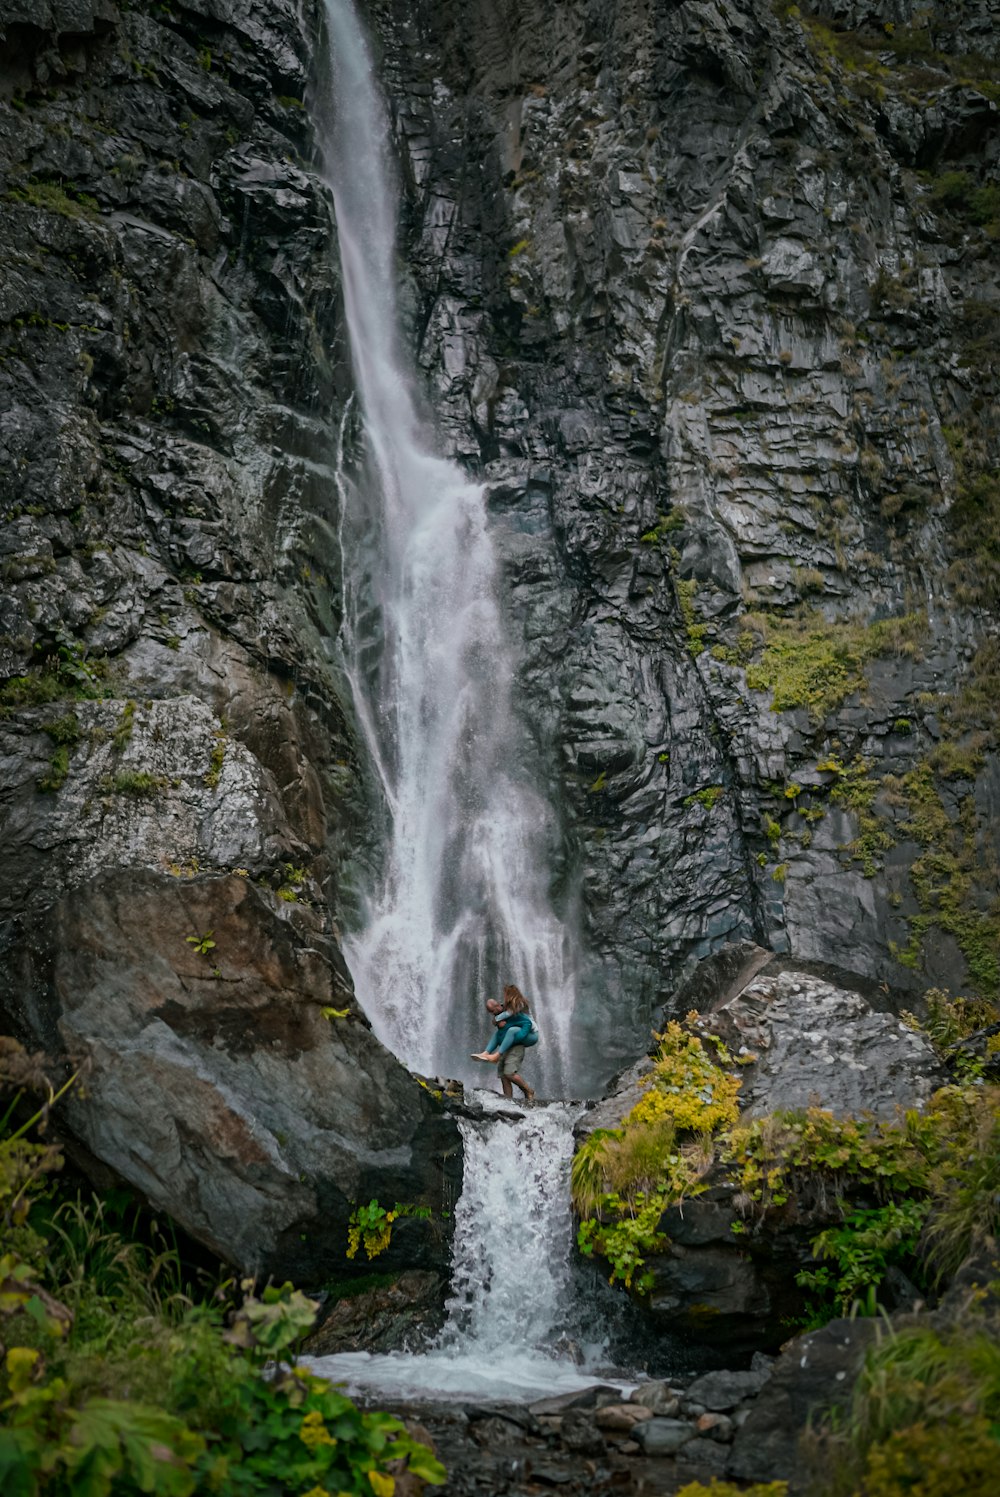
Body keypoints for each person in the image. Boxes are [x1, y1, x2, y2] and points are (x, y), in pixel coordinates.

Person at [471, 984, 536, 1102]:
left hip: (517, 1043)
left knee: (509, 1073)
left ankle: (528, 1090)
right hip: (507, 1044)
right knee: (503, 1075)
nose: (493, 1013)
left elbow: (526, 1023)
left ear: (497, 1005)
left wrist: (520, 1036)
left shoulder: (512, 1009)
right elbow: (500, 1033)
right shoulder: (498, 1015)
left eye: (494, 1010)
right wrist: (496, 1021)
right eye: (491, 1012)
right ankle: (508, 1101)